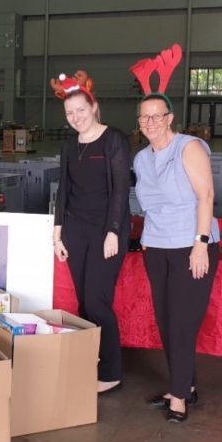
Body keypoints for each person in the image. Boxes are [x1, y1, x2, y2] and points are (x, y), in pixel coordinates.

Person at [133, 93, 220, 423]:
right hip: (157, 247)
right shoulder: (141, 158)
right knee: (168, 322)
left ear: (170, 118)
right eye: (144, 118)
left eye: (157, 116)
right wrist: (145, 241)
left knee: (183, 324)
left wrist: (200, 243)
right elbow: (149, 205)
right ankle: (187, 385)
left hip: (191, 245)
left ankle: (179, 395)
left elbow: (206, 196)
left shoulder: (189, 147)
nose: (150, 123)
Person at [52, 73, 131, 394]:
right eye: (70, 113)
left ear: (93, 107)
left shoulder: (114, 139)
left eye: (80, 111)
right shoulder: (70, 146)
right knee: (84, 303)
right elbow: (64, 191)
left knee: (98, 302)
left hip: (106, 230)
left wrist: (113, 231)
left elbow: (121, 191)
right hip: (75, 229)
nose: (76, 118)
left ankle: (112, 372)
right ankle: (92, 363)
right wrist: (58, 235)